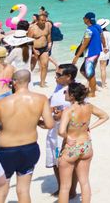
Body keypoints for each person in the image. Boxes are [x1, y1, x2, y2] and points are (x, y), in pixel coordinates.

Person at [0, 70, 53, 203]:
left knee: (1, 190)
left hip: (6, 151)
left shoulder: (2, 103)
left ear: (14, 82)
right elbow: (50, 124)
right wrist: (37, 122)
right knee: (23, 190)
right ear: (28, 81)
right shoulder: (41, 99)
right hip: (30, 149)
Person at [56, 81, 108, 203]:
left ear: (72, 95)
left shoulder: (69, 110)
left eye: (66, 91)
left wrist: (67, 137)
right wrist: (91, 127)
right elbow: (105, 116)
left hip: (71, 148)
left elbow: (61, 131)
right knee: (84, 182)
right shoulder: (89, 107)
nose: (64, 93)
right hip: (86, 145)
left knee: (64, 187)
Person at [47, 64, 78, 199]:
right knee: (55, 161)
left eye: (59, 75)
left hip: (66, 132)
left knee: (67, 162)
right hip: (54, 130)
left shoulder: (75, 90)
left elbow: (81, 110)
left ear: (68, 77)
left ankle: (71, 191)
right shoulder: (59, 86)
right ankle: (61, 188)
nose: (56, 77)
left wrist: (64, 114)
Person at [71, 13, 107, 97]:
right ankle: (93, 86)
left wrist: (76, 57)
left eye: (84, 18)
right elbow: (102, 37)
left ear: (87, 19)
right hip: (96, 52)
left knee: (90, 74)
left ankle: (93, 92)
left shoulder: (89, 30)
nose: (83, 19)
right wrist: (104, 46)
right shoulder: (98, 26)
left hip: (91, 53)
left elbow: (85, 44)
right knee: (83, 71)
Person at [28, 11, 53, 89]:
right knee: (31, 67)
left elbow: (48, 34)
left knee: (45, 65)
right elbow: (28, 40)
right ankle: (27, 82)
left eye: (45, 20)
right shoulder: (32, 28)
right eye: (42, 20)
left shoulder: (48, 25)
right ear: (38, 20)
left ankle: (42, 83)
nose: (44, 22)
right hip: (34, 49)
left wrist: (49, 43)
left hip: (44, 48)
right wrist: (34, 50)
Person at [96, 19, 110, 88]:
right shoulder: (107, 33)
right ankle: (103, 84)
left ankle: (90, 82)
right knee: (103, 68)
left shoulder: (96, 33)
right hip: (105, 51)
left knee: (96, 68)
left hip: (97, 51)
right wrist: (107, 47)